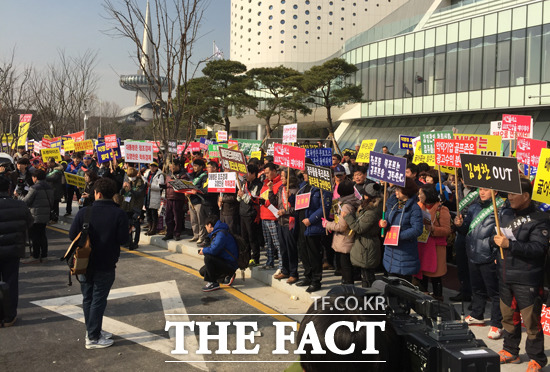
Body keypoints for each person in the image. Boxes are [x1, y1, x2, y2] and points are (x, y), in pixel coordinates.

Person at [493, 178, 549, 370]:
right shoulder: (505, 212)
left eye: (513, 194)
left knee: (531, 322)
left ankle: (537, 358)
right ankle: (510, 351)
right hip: (505, 274)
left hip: (527, 277)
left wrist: (510, 245)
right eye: (508, 194)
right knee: (508, 317)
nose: (509, 197)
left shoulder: (540, 218)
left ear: (526, 196)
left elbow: (538, 248)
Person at [69, 177, 128, 349]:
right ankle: (93, 337)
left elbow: (72, 235)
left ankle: (92, 330)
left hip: (84, 262)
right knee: (98, 299)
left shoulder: (84, 212)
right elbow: (123, 239)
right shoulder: (119, 213)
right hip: (106, 263)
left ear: (97, 193)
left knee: (88, 297)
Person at [454, 188, 510, 340]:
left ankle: (497, 323)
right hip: (473, 253)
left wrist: (496, 253)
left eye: (486, 189)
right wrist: (459, 225)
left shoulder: (502, 209)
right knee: (477, 289)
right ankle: (477, 315)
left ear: (496, 192)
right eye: (481, 190)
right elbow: (466, 230)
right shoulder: (474, 207)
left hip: (489, 256)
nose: (482, 193)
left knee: (495, 292)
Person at [0, 170, 33, 327]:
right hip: (13, 250)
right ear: (8, 189)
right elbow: (29, 223)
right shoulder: (20, 205)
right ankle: (9, 316)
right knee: (11, 283)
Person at [295, 161, 332, 293]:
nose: (303, 174)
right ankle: (307, 276)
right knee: (303, 251)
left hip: (312, 225)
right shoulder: (303, 186)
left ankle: (316, 280)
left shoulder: (322, 188)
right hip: (301, 224)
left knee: (314, 253)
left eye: (305, 172)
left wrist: (311, 220)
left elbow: (325, 208)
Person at [379, 177, 423, 282]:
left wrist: (398, 236)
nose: (396, 191)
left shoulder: (414, 208)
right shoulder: (393, 204)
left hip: (405, 253)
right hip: (390, 252)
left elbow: (417, 229)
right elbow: (388, 221)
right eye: (396, 189)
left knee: (403, 288)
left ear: (406, 191)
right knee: (391, 286)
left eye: (399, 189)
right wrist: (383, 224)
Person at [342, 183, 383, 288]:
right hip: (363, 244)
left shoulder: (372, 212)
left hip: (367, 246)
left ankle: (370, 299)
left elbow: (359, 228)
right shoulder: (367, 207)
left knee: (368, 277)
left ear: (368, 196)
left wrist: (347, 217)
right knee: (365, 274)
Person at [416, 183, 451, 301]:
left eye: (421, 193)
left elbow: (447, 230)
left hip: (436, 247)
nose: (419, 195)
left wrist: (434, 229)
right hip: (421, 245)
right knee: (421, 274)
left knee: (436, 276)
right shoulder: (418, 206)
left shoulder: (441, 209)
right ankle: (423, 298)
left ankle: (438, 300)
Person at [324, 180, 360, 285]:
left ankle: (348, 289)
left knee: (346, 267)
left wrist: (327, 224)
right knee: (345, 266)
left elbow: (342, 226)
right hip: (345, 240)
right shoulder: (349, 202)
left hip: (345, 240)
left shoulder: (346, 206)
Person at [21, 169, 54, 263]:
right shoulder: (49, 187)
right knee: (42, 235)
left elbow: (26, 201)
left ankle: (35, 256)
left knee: (35, 236)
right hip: (45, 214)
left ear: (35, 178)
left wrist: (19, 196)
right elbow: (52, 202)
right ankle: (44, 255)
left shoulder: (34, 188)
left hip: (35, 215)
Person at [198, 215, 239, 292]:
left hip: (230, 264)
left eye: (205, 226)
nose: (206, 229)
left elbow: (214, 250)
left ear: (209, 225)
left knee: (208, 258)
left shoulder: (221, 234)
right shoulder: (218, 232)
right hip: (224, 261)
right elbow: (212, 238)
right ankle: (225, 276)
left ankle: (213, 283)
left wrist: (203, 251)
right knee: (203, 272)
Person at [273, 169, 300, 284]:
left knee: (291, 249)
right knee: (283, 248)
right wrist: (270, 191)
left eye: (284, 176)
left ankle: (294, 273)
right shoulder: (281, 188)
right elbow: (276, 202)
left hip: (290, 222)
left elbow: (297, 208)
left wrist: (286, 211)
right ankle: (285, 270)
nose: (282, 178)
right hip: (280, 222)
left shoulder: (296, 191)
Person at [237, 164, 263, 266]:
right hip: (242, 212)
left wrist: (243, 195)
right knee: (244, 238)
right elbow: (239, 199)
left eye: (247, 173)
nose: (245, 175)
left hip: (251, 214)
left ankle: (255, 258)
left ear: (253, 174)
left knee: (252, 237)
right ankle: (246, 257)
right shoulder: (245, 183)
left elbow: (253, 200)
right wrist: (239, 195)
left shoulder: (258, 185)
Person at [259, 163, 283, 270]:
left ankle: (282, 265)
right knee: (268, 242)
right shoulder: (265, 183)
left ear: (274, 171)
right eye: (265, 173)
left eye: (268, 173)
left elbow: (277, 201)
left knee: (277, 243)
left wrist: (266, 202)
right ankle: (270, 262)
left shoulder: (280, 184)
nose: (267, 175)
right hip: (264, 216)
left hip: (273, 217)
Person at [120, 167, 145, 250]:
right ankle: (129, 241)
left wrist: (130, 189)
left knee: (136, 225)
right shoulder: (127, 182)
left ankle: (135, 242)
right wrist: (123, 188)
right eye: (129, 176)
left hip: (136, 207)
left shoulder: (140, 183)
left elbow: (138, 194)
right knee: (128, 225)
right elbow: (121, 193)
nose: (131, 178)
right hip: (127, 206)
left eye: (132, 176)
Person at [162, 159, 188, 241]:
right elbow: (167, 184)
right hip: (169, 198)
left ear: (177, 166)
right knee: (168, 217)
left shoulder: (183, 175)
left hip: (178, 198)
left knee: (177, 217)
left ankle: (177, 234)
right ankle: (169, 233)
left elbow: (182, 186)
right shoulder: (169, 175)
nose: (171, 169)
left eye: (172, 167)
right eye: (170, 167)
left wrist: (175, 180)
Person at [188, 159, 209, 244]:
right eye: (194, 165)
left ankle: (201, 236)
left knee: (201, 220)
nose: (194, 167)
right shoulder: (193, 175)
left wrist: (197, 190)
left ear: (201, 167)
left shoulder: (204, 176)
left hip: (199, 200)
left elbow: (204, 188)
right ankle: (195, 235)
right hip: (191, 199)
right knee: (193, 220)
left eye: (196, 166)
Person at [143, 162, 165, 236]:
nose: (152, 168)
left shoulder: (160, 175)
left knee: (153, 213)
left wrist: (150, 185)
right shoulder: (147, 173)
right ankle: (150, 227)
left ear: (157, 167)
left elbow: (160, 186)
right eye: (151, 166)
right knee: (148, 213)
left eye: (154, 166)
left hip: (154, 196)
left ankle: (153, 229)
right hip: (147, 196)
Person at [45, 158, 65, 223]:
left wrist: (43, 177)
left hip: (56, 190)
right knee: (50, 205)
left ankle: (55, 219)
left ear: (53, 163)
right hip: (50, 189)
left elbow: (53, 178)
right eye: (48, 163)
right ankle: (50, 217)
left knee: (55, 205)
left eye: (50, 163)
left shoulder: (58, 170)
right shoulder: (49, 169)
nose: (48, 164)